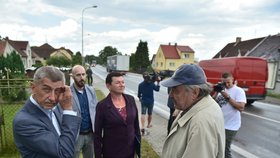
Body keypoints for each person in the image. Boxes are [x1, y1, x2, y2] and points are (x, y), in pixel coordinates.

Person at [13, 66, 81, 158]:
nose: (52, 98)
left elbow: (69, 140)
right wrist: (68, 109)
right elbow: (64, 153)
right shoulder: (24, 122)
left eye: (57, 91)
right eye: (46, 89)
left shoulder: (55, 108)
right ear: (33, 87)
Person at [161, 64, 225, 158]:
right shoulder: (195, 106)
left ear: (195, 92)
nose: (170, 95)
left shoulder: (200, 123)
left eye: (175, 90)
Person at [94, 72, 141, 158]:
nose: (121, 85)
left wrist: (138, 148)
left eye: (123, 82)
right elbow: (97, 134)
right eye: (117, 82)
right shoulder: (102, 106)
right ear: (108, 86)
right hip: (112, 153)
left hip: (130, 152)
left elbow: (136, 127)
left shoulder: (131, 100)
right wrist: (98, 155)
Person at [213, 72, 246, 158]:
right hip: (219, 124)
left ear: (233, 80)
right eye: (224, 82)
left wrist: (227, 97)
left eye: (228, 82)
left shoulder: (239, 91)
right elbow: (213, 103)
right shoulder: (221, 89)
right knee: (216, 147)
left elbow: (241, 108)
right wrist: (216, 92)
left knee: (224, 149)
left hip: (231, 126)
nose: (226, 84)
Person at [70, 65, 98, 158]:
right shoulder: (68, 93)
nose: (81, 77)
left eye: (83, 74)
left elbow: (96, 110)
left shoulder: (91, 90)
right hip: (76, 136)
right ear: (72, 76)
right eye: (78, 75)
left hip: (90, 134)